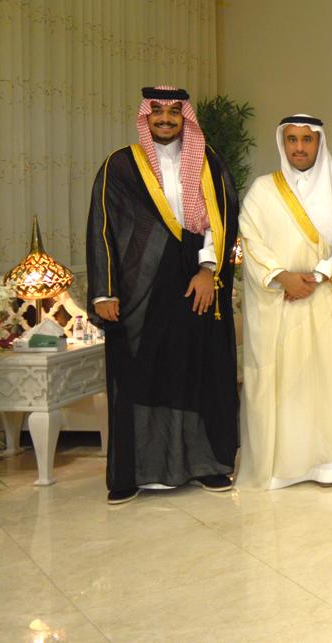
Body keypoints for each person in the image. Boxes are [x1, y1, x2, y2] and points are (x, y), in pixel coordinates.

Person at [86, 86, 239, 505]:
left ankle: (206, 466)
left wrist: (208, 270)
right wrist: (104, 291)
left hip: (195, 286)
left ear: (185, 116)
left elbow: (224, 220)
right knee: (139, 376)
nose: (166, 119)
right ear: (146, 117)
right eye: (158, 112)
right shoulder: (121, 165)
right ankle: (133, 473)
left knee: (197, 371)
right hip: (139, 290)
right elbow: (102, 226)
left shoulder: (208, 163)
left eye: (174, 112)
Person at [237, 114, 332, 489]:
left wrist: (319, 275)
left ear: (319, 143)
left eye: (307, 140)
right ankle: (283, 465)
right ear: (283, 143)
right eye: (292, 139)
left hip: (326, 300)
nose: (298, 147)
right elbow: (250, 240)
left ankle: (327, 461)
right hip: (280, 302)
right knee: (285, 385)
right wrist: (283, 278)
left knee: (327, 383)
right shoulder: (262, 190)